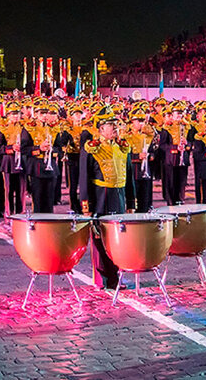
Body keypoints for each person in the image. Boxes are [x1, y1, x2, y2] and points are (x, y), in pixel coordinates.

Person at [80, 111, 129, 289]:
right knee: (100, 238)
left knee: (119, 238)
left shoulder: (122, 147)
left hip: (119, 196)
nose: (115, 128)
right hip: (101, 196)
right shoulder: (92, 148)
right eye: (111, 125)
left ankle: (116, 274)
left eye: (116, 124)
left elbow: (128, 176)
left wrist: (131, 203)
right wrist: (86, 205)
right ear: (101, 129)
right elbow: (84, 178)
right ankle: (103, 278)